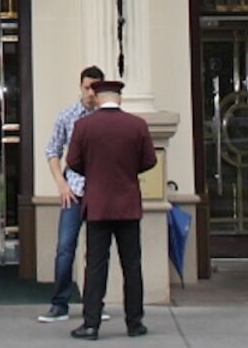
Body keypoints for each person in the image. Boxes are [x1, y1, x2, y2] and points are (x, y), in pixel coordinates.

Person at [64, 79, 157, 340]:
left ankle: (91, 324)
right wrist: (127, 171)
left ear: (96, 96)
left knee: (95, 266)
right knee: (132, 265)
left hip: (98, 204)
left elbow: (72, 161)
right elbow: (149, 160)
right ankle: (135, 323)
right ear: (119, 98)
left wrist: (94, 173)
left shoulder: (84, 126)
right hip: (128, 204)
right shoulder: (137, 125)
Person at [38, 65, 105, 323]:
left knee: (97, 251)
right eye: (86, 87)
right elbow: (52, 151)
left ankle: (94, 304)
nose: (90, 93)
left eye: (95, 88)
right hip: (74, 191)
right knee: (65, 248)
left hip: (100, 191)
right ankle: (60, 304)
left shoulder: (106, 118)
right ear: (80, 87)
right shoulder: (67, 116)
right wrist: (61, 184)